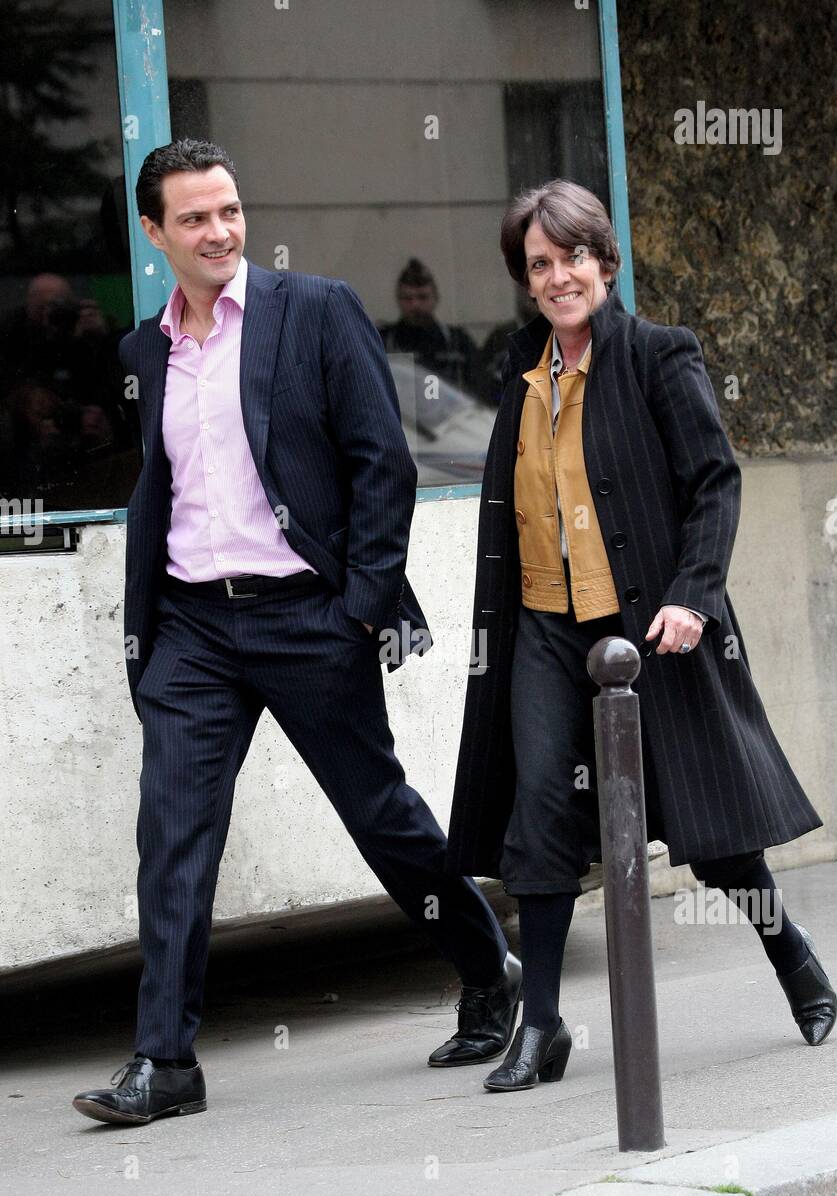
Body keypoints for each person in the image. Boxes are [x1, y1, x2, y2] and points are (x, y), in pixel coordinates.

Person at [72, 138, 521, 1126]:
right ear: (155, 235)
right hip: (193, 625)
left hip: (307, 616)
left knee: (380, 815)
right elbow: (163, 484)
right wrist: (144, 626)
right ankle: (166, 1061)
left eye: (228, 209)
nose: (220, 230)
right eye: (193, 218)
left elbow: (380, 462)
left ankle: (487, 967)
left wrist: (361, 601)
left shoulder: (311, 311)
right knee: (173, 834)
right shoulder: (144, 352)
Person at [446, 179, 837, 1093]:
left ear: (605, 262)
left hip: (651, 626)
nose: (557, 277)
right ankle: (540, 1027)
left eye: (572, 256)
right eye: (538, 265)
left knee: (710, 825)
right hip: (544, 628)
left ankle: (792, 958)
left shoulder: (660, 355)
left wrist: (692, 596)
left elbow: (714, 481)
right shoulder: (523, 370)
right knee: (539, 809)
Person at [379, 258, 482, 398]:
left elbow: (478, 391)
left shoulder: (458, 342)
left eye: (422, 297)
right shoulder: (382, 341)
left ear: (435, 298)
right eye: (407, 298)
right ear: (398, 300)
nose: (415, 305)